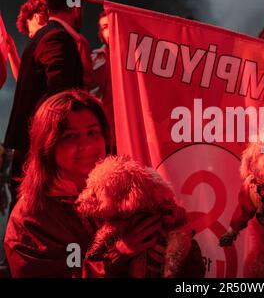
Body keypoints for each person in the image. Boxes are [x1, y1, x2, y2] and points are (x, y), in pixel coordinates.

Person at [3, 90, 203, 277]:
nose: (87, 145)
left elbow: (192, 269)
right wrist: (119, 253)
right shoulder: (30, 220)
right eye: (70, 136)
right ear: (47, 145)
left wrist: (176, 252)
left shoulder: (129, 191)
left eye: (93, 132)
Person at [3, 0, 84, 204]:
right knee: (34, 210)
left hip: (31, 145)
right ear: (75, 9)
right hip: (40, 147)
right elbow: (63, 94)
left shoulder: (47, 38)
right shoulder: (55, 38)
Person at [91, 11, 114, 137]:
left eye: (112, 25)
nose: (110, 31)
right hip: (103, 128)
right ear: (100, 33)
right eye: (105, 27)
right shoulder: (93, 60)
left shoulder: (136, 58)